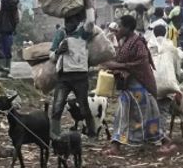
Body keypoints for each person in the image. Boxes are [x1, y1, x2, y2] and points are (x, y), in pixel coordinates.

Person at [102, 15, 175, 155]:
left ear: (128, 28)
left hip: (138, 86)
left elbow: (141, 63)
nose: (118, 29)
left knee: (133, 115)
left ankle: (117, 145)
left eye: (121, 26)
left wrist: (119, 65)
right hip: (129, 86)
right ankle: (164, 141)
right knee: (131, 115)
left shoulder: (138, 43)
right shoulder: (127, 41)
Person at [50, 10, 97, 142]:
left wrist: (88, 3)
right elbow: (51, 55)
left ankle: (92, 135)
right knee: (57, 106)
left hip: (81, 76)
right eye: (66, 21)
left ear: (77, 21)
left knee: (84, 107)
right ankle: (55, 136)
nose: (68, 24)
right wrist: (58, 51)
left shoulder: (83, 32)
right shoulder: (61, 34)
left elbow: (91, 21)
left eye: (71, 21)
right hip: (63, 76)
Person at [149, 25, 183, 133]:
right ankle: (161, 134)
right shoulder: (171, 47)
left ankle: (153, 134)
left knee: (152, 111)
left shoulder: (149, 47)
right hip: (168, 86)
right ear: (165, 33)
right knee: (163, 111)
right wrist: (177, 79)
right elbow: (177, 67)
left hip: (152, 85)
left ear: (153, 33)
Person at [0, 0, 20, 72]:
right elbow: (16, 18)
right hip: (8, 29)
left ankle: (0, 69)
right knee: (7, 49)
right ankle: (6, 70)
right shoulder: (13, 0)